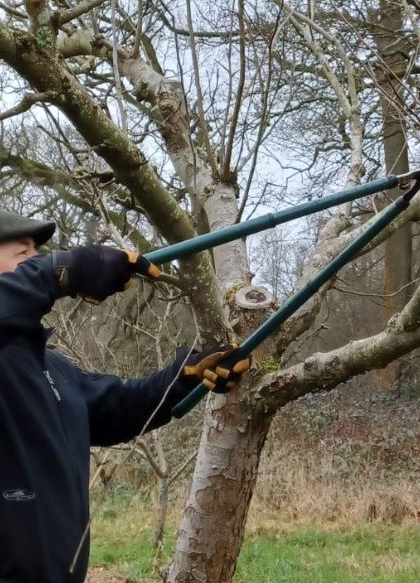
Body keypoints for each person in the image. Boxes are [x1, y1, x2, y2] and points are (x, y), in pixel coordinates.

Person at [0, 210, 249, 583]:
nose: (35, 259)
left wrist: (186, 377)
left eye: (38, 254)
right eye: (22, 255)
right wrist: (63, 270)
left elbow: (120, 407)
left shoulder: (51, 368)